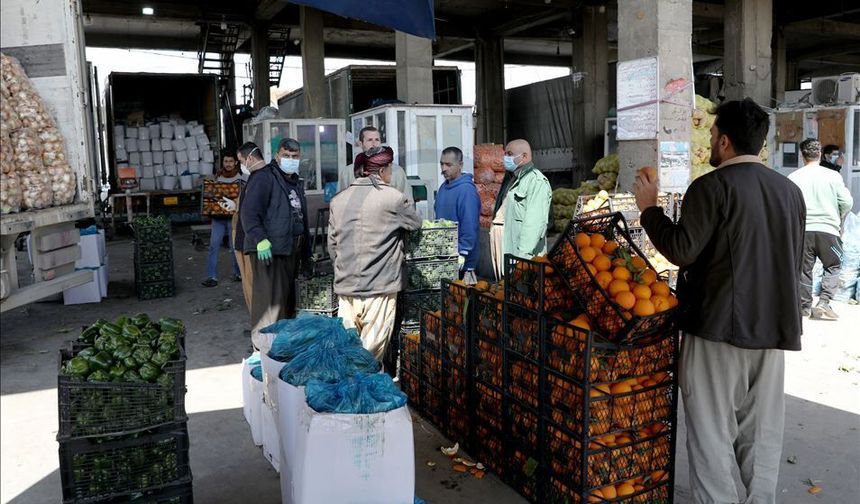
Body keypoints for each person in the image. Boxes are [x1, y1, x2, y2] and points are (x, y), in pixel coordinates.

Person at [632, 98, 805, 504]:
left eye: (711, 136)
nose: (710, 142)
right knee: (761, 433)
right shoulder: (790, 191)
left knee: (711, 434)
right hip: (773, 331)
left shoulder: (711, 187)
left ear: (724, 141)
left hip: (717, 329)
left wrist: (649, 210)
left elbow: (681, 249)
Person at [328, 146, 422, 361]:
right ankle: (364, 391)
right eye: (390, 169)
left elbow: (332, 246)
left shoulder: (338, 200)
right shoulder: (393, 198)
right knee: (370, 355)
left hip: (346, 287)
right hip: (380, 287)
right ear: (382, 171)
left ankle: (349, 390)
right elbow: (415, 225)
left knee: (348, 350)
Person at [241, 138, 312, 351]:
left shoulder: (294, 182)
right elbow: (249, 211)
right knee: (269, 305)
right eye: (286, 156)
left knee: (286, 302)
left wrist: (306, 252)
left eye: (295, 156)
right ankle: (264, 350)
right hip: (269, 251)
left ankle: (281, 349)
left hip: (290, 250)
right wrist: (259, 239)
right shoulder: (264, 178)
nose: (290, 160)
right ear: (276, 156)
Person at [788, 139, 853, 320]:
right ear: (819, 155)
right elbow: (847, 202)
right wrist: (839, 216)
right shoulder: (833, 176)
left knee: (804, 270)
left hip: (803, 232)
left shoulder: (793, 178)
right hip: (829, 231)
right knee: (833, 265)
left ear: (802, 156)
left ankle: (804, 308)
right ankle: (824, 302)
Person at [489, 139, 552, 280]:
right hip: (507, 249)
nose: (506, 158)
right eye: (505, 154)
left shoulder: (536, 181)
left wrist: (521, 260)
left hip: (520, 257)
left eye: (510, 154)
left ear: (524, 156)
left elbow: (534, 225)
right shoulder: (512, 178)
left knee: (521, 295)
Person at [434, 146, 481, 285]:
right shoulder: (443, 188)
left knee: (463, 301)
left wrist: (463, 251)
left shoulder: (466, 191)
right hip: (445, 256)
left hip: (463, 261)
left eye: (448, 164)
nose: (443, 168)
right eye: (442, 164)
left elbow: (470, 224)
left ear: (460, 165)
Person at [338, 126, 413, 205]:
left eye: (377, 140)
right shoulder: (348, 172)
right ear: (361, 144)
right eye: (369, 140)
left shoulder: (396, 171)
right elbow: (340, 202)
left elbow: (407, 202)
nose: (374, 144)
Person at [202, 151, 242, 287]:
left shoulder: (242, 178)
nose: (228, 164)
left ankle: (238, 273)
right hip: (218, 218)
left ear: (236, 162)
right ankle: (211, 277)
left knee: (234, 247)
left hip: (233, 218)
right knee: (213, 246)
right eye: (226, 162)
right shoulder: (217, 178)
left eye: (231, 161)